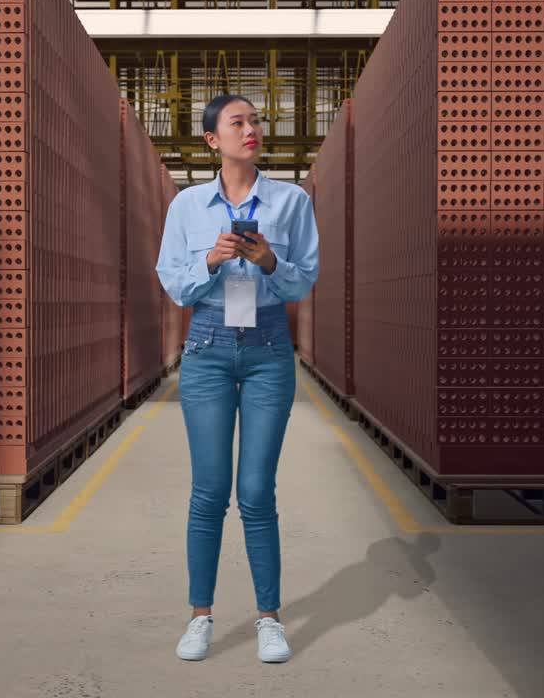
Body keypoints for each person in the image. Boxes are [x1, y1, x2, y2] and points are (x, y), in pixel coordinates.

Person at [154, 94, 319, 663]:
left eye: (256, 121)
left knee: (255, 492)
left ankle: (269, 619)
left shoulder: (291, 201)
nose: (252, 129)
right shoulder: (186, 206)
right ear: (212, 140)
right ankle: (200, 617)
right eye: (238, 122)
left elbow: (303, 283)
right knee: (209, 491)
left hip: (270, 349)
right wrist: (212, 261)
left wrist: (271, 261)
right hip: (208, 349)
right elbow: (173, 283)